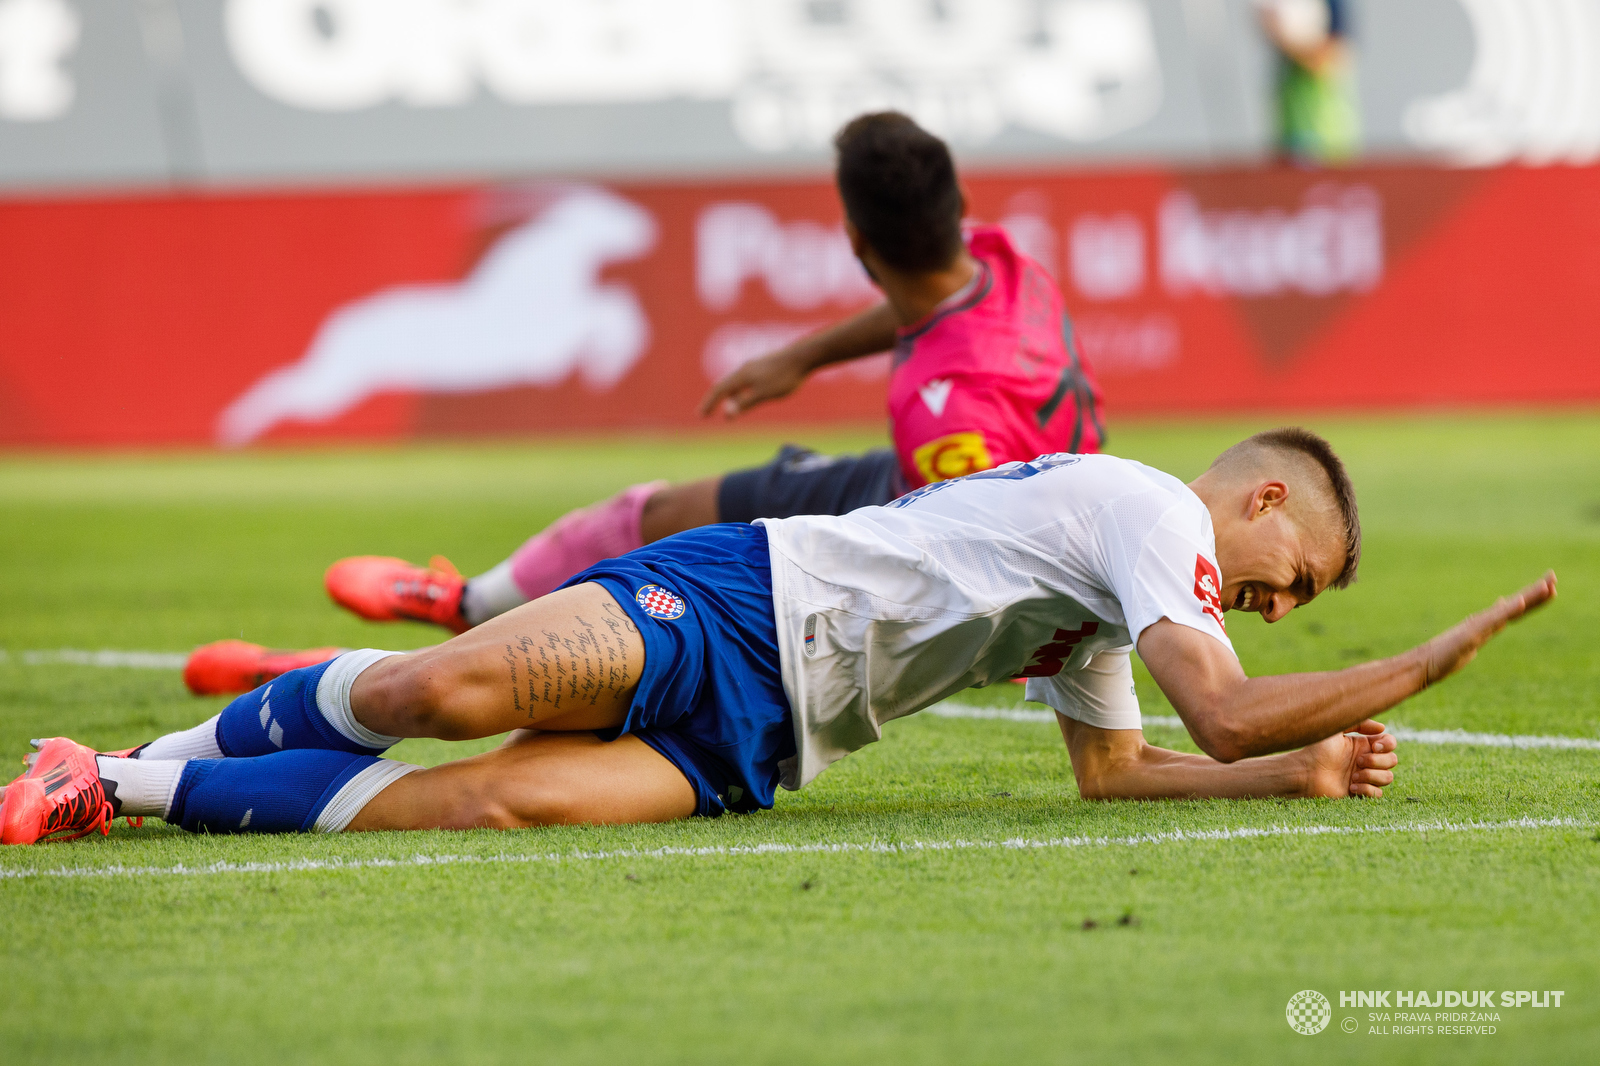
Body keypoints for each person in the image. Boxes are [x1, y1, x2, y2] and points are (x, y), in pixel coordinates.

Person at [2, 428, 1557, 844]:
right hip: (750, 595)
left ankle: (112, 785)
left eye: (1304, 612)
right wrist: (1414, 663)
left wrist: (1280, 788)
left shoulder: (1112, 588)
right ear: (1261, 494)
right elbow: (1225, 706)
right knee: (449, 686)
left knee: (486, 795)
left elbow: (1128, 770)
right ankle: (153, 753)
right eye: (1298, 574)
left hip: (772, 733)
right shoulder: (1155, 507)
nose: (1283, 603)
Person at [182, 110, 1104, 696]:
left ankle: (358, 681)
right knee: (656, 512)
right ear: (959, 207)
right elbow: (920, 315)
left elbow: (971, 547)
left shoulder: (944, 409)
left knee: (651, 617)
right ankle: (469, 598)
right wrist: (801, 356)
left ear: (856, 239)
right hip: (950, 475)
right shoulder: (1000, 259)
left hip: (945, 527)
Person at [1258, 0, 1361, 164]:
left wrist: (1285, 36)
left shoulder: (1333, 4)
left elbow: (1334, 57)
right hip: (1290, 143)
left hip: (1328, 145)